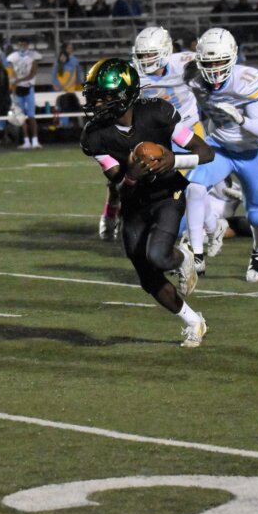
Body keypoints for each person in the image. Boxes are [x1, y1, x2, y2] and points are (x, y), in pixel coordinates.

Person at [79, 58, 215, 347]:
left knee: (159, 256)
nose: (97, 103)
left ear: (124, 95)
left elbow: (206, 152)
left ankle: (184, 258)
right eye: (95, 96)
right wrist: (131, 175)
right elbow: (119, 184)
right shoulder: (95, 135)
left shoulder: (157, 113)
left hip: (168, 194)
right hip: (134, 202)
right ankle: (194, 321)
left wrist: (173, 160)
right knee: (146, 275)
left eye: (103, 96)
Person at [183, 28, 258, 281]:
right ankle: (197, 255)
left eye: (219, 61)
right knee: (194, 186)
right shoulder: (194, 79)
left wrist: (241, 119)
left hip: (251, 154)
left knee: (256, 215)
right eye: (208, 62)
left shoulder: (246, 81)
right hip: (220, 147)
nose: (213, 69)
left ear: (232, 57)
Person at [98, 26, 200, 242]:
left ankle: (198, 220)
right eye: (141, 55)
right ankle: (111, 211)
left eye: (150, 54)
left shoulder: (183, 62)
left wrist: (200, 69)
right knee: (121, 176)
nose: (145, 59)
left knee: (190, 179)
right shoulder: (130, 75)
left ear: (165, 51)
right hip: (149, 132)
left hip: (186, 129)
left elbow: (213, 61)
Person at [7, 36, 43, 149]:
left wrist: (18, 80)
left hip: (28, 88)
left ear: (27, 45)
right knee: (21, 117)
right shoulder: (13, 57)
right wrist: (14, 84)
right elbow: (12, 72)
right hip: (18, 89)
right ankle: (26, 141)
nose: (22, 46)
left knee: (31, 116)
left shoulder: (33, 56)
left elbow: (32, 74)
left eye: (24, 44)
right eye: (20, 44)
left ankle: (35, 140)